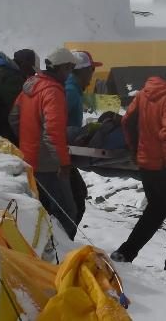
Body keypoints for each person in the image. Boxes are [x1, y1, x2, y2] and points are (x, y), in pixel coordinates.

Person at [111, 57, 166, 269]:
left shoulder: (144, 93)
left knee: (156, 211)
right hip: (164, 166)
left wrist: (135, 150)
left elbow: (127, 120)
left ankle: (125, 253)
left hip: (146, 165)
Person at [9, 48, 78, 238]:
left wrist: (27, 141)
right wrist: (63, 163)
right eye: (69, 69)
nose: (69, 74)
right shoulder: (53, 92)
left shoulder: (30, 85)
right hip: (49, 164)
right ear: (63, 67)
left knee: (42, 210)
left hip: (29, 158)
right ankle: (61, 255)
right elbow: (53, 133)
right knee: (67, 212)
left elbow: (14, 118)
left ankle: (45, 250)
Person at [67, 50, 102, 227]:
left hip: (63, 153)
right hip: (59, 155)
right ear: (81, 71)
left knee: (78, 196)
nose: (92, 75)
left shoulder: (73, 90)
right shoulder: (70, 92)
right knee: (75, 203)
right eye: (91, 70)